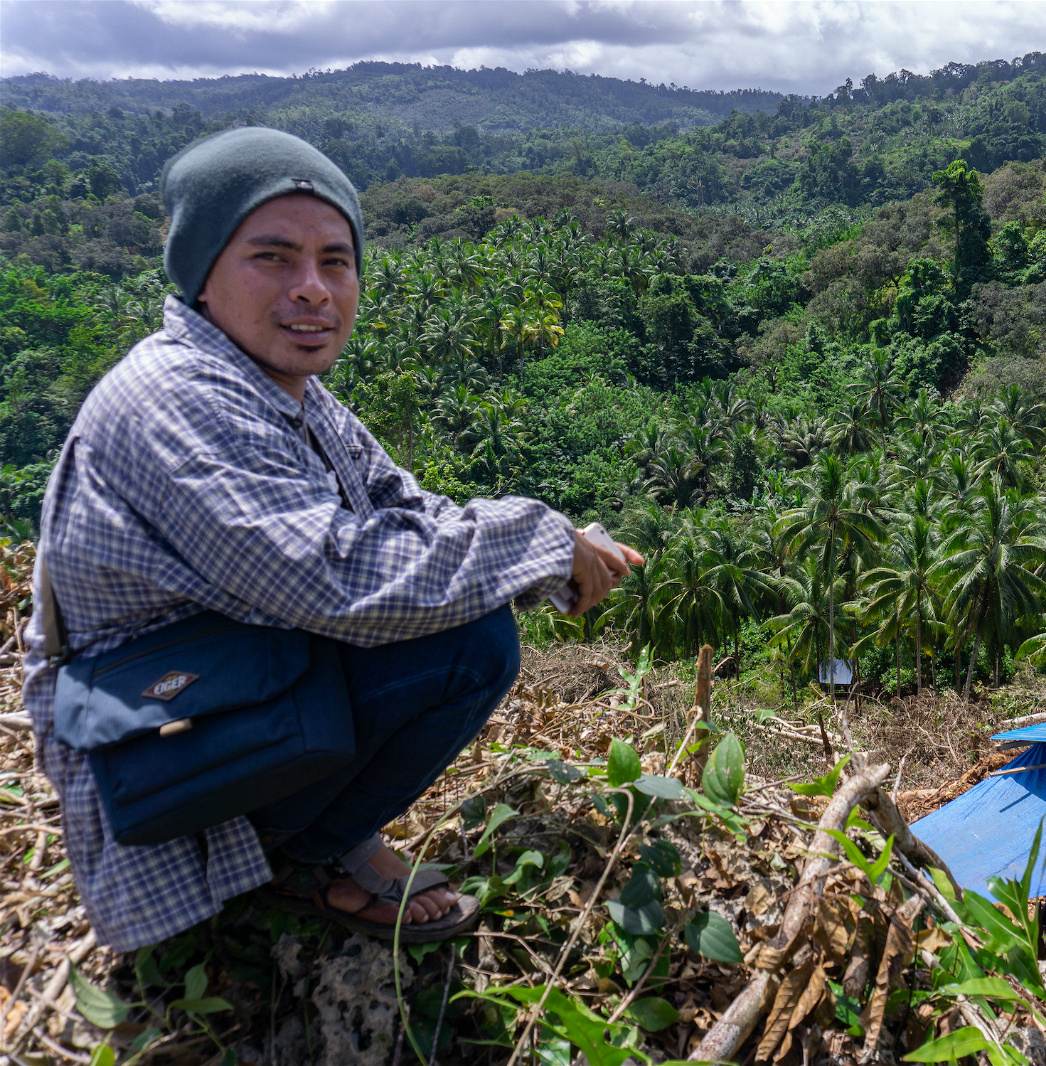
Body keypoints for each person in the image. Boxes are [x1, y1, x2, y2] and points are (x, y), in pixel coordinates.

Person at [21, 127, 644, 953]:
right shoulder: (175, 400)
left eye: (335, 262)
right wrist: (535, 536)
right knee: (469, 643)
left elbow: (402, 503)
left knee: (458, 611)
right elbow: (339, 582)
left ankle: (308, 830)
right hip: (150, 742)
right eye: (273, 258)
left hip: (225, 677)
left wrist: (555, 548)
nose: (313, 289)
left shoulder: (282, 385)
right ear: (201, 273)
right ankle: (306, 861)